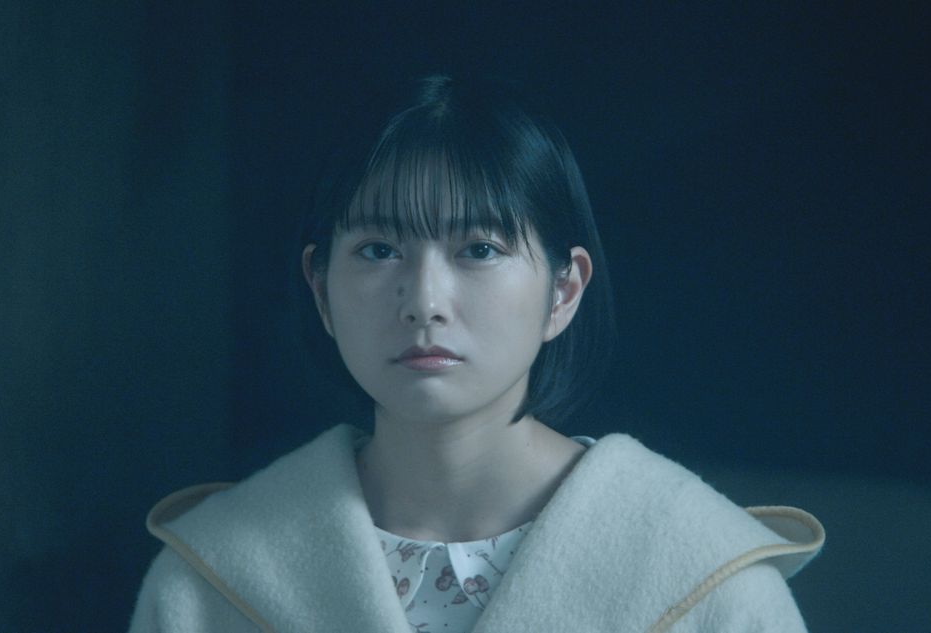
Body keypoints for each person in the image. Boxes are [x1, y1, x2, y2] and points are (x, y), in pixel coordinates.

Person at [128, 75, 824, 633]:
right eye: (379, 249)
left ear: (564, 290)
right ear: (321, 289)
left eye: (480, 249)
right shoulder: (209, 581)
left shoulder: (706, 581)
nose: (424, 301)